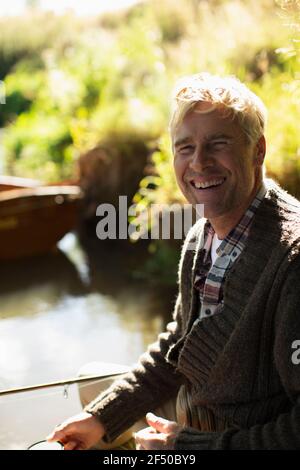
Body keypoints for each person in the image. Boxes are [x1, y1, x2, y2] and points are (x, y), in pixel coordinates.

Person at [47, 73, 300, 450]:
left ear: (257, 150)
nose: (199, 163)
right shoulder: (202, 234)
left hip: (240, 436)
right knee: (90, 387)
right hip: (199, 406)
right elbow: (179, 344)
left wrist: (187, 448)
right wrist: (101, 416)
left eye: (218, 144)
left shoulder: (292, 261)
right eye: (185, 148)